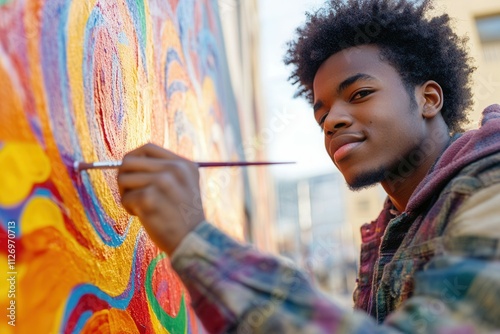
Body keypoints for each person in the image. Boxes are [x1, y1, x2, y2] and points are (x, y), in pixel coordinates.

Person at [117, 0, 500, 332]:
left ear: (428, 99)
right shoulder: (392, 229)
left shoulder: (490, 188)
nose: (333, 120)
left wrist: (194, 241)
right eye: (322, 116)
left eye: (360, 94)